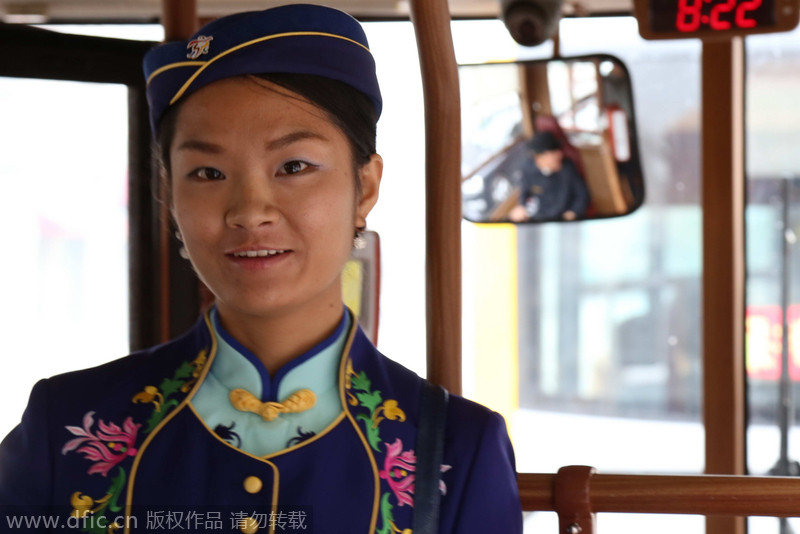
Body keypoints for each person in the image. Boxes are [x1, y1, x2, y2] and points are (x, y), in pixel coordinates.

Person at [0, 5, 522, 534]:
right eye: (207, 172)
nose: (250, 212)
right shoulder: (67, 426)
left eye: (293, 167)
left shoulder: (455, 450)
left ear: (364, 188)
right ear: (170, 199)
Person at [509, 131, 589, 222]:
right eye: (553, 153)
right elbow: (524, 191)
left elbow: (582, 195)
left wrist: (573, 212)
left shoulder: (567, 169)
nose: (559, 155)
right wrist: (521, 206)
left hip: (561, 219)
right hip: (539, 217)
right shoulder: (527, 169)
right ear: (540, 158)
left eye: (558, 151)